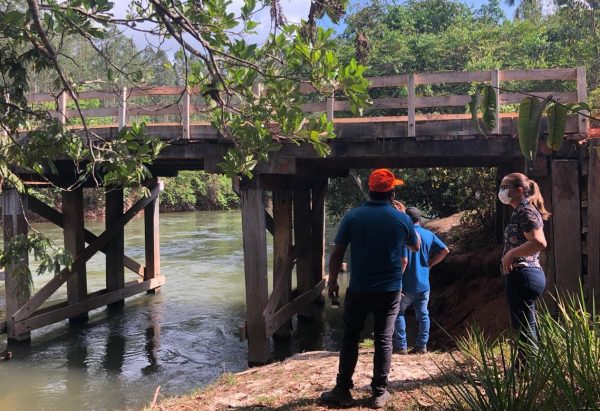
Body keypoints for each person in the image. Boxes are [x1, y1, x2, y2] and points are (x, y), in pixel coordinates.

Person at [320, 169, 420, 409]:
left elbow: (337, 252)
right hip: (389, 290)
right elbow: (415, 246)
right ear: (392, 192)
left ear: (370, 190)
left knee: (350, 337)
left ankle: (342, 390)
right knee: (384, 339)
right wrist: (402, 219)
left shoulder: (353, 216)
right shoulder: (401, 218)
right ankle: (378, 393)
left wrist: (333, 281)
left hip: (359, 288)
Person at [498, 172, 550, 367]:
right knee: (527, 325)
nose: (501, 191)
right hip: (524, 275)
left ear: (519, 190)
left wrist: (511, 254)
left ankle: (525, 370)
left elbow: (539, 242)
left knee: (523, 328)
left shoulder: (525, 211)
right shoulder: (520, 211)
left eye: (505, 187)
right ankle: (533, 368)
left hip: (524, 274)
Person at [393, 207, 449, 355]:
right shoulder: (429, 234)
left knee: (398, 313)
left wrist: (396, 280)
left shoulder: (405, 235)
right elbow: (445, 251)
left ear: (407, 220)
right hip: (424, 284)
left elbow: (404, 261)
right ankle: (421, 346)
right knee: (423, 314)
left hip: (406, 284)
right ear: (419, 219)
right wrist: (431, 264)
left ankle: (401, 347)